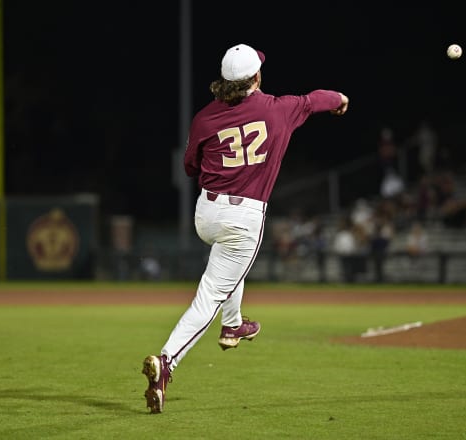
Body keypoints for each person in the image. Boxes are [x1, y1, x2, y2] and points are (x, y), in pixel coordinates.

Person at [141, 43, 349, 414]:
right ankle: (166, 364)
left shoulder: (205, 117)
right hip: (244, 217)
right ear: (256, 76)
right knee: (210, 293)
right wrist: (340, 99)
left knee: (228, 264)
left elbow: (190, 168)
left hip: (206, 212)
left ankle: (233, 326)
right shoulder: (279, 109)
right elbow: (316, 99)